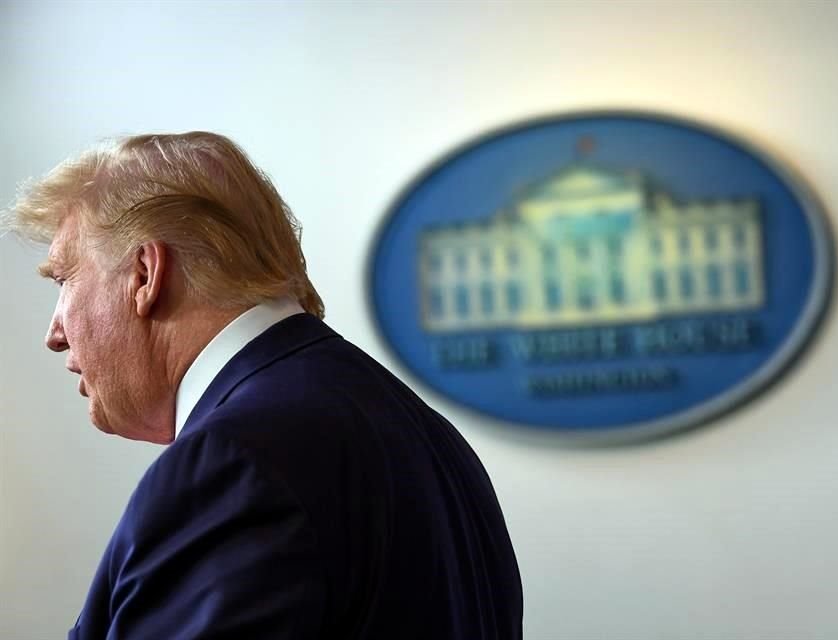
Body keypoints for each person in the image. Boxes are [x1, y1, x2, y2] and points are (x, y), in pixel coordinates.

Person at [3, 132, 523, 639]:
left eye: (63, 279)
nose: (54, 333)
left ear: (144, 274)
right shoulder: (430, 436)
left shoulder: (231, 461)